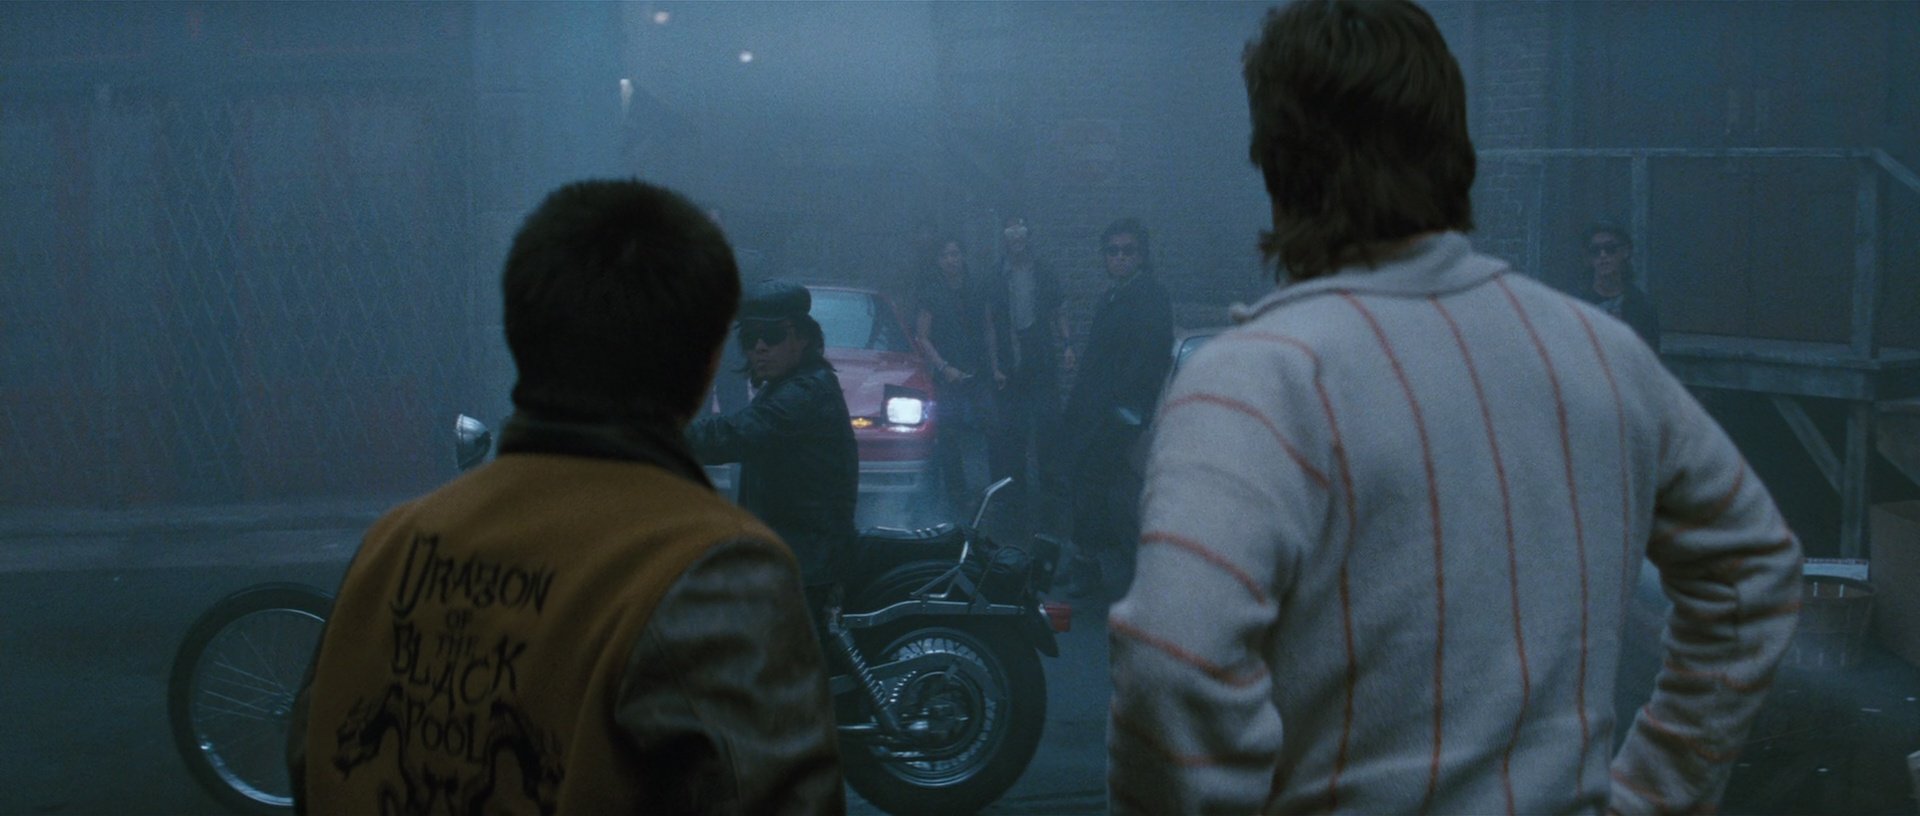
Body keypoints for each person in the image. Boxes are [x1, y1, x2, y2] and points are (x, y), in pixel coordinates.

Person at [1107, 3, 1801, 814]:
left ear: (1274, 159)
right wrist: (1656, 791)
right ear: (1454, 146)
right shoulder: (1602, 355)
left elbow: (1171, 660)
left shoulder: (1256, 379)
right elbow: (1752, 568)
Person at [288, 179, 843, 814]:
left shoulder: (390, 547)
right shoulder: (716, 574)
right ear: (704, 359)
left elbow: (310, 758)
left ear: (520, 334)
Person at [686, 279, 860, 623]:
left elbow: (735, 434)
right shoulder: (786, 386)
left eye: (773, 335)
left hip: (805, 561)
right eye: (751, 338)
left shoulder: (805, 392)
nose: (760, 347)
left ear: (803, 338)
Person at [1059, 217, 1172, 599]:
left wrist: (1122, 407)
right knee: (1083, 481)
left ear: (1141, 255)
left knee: (1095, 484)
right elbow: (1095, 359)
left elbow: (1148, 360)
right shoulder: (1111, 296)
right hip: (1096, 409)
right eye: (1112, 251)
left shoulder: (1151, 297)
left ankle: (1092, 567)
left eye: (1128, 251)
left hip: (1120, 412)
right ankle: (1085, 562)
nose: (1120, 257)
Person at [984, 216, 1071, 538]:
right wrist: (995, 365)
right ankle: (1015, 494)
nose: (1016, 237)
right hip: (1010, 361)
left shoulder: (1043, 271)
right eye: (1011, 232)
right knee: (1012, 429)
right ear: (1005, 238)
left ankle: (1051, 490)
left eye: (1021, 231)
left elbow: (1058, 310)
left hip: (1041, 358)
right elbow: (990, 324)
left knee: (1048, 423)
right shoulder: (995, 275)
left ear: (1028, 236)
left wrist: (1067, 344)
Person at [915, 236, 995, 519]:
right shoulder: (931, 293)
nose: (952, 259)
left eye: (956, 253)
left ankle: (993, 489)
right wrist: (943, 367)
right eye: (946, 255)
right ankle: (957, 495)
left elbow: (988, 328)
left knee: (992, 428)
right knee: (949, 433)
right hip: (947, 374)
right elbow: (923, 336)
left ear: (963, 256)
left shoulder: (977, 288)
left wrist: (994, 366)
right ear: (939, 260)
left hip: (978, 370)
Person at [1583, 221, 1662, 347]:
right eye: (1595, 250)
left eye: (1610, 249)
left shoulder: (1642, 307)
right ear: (1589, 258)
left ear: (1625, 252)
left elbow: (1649, 354)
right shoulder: (1577, 303)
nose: (1603, 255)